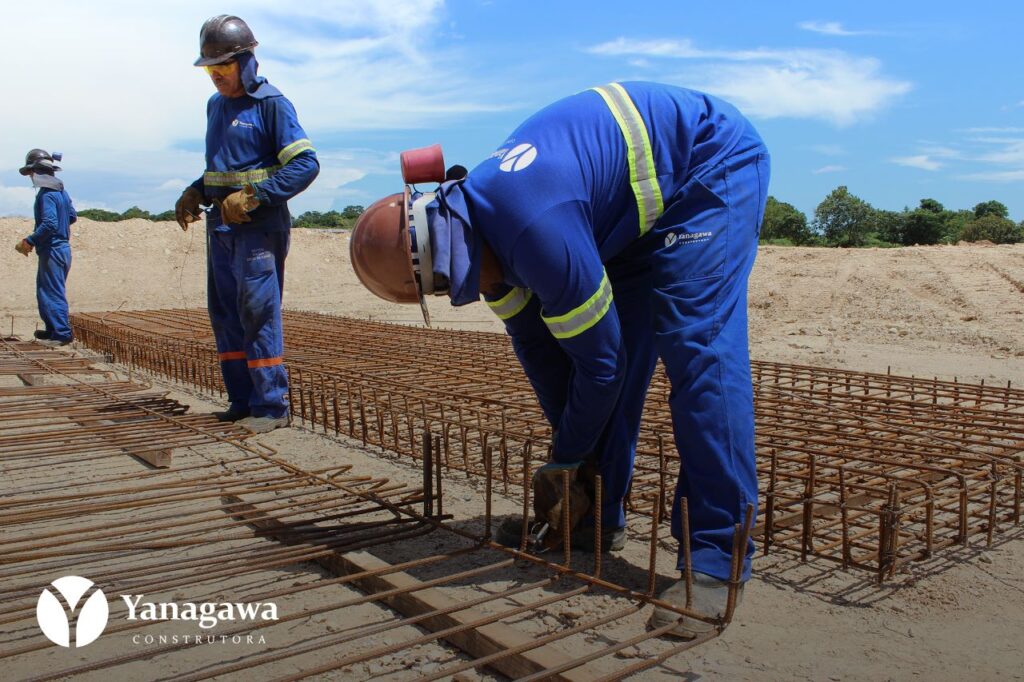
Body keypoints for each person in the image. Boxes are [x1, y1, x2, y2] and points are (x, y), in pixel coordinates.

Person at [350, 82, 769, 637]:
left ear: (447, 258)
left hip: (706, 167)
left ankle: (718, 556)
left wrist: (566, 457)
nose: (465, 294)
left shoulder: (533, 229)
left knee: (697, 350)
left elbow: (601, 366)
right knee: (602, 375)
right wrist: (565, 462)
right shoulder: (482, 240)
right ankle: (595, 520)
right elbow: (545, 357)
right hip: (625, 222)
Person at [174, 15, 319, 433]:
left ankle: (271, 407)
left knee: (258, 312)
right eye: (209, 69)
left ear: (247, 61)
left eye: (223, 66)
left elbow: (306, 165)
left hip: (258, 227)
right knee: (224, 313)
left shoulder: (272, 105)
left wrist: (256, 196)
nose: (216, 76)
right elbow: (223, 170)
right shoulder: (215, 106)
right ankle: (241, 400)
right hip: (219, 228)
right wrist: (196, 190)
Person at [15, 149, 77, 347]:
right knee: (46, 290)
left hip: (53, 249)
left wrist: (30, 240)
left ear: (37, 172)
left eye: (31, 173)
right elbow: (72, 216)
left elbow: (49, 223)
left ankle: (61, 334)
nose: (31, 178)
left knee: (52, 292)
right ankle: (52, 329)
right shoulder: (61, 192)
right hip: (61, 249)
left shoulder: (46, 195)